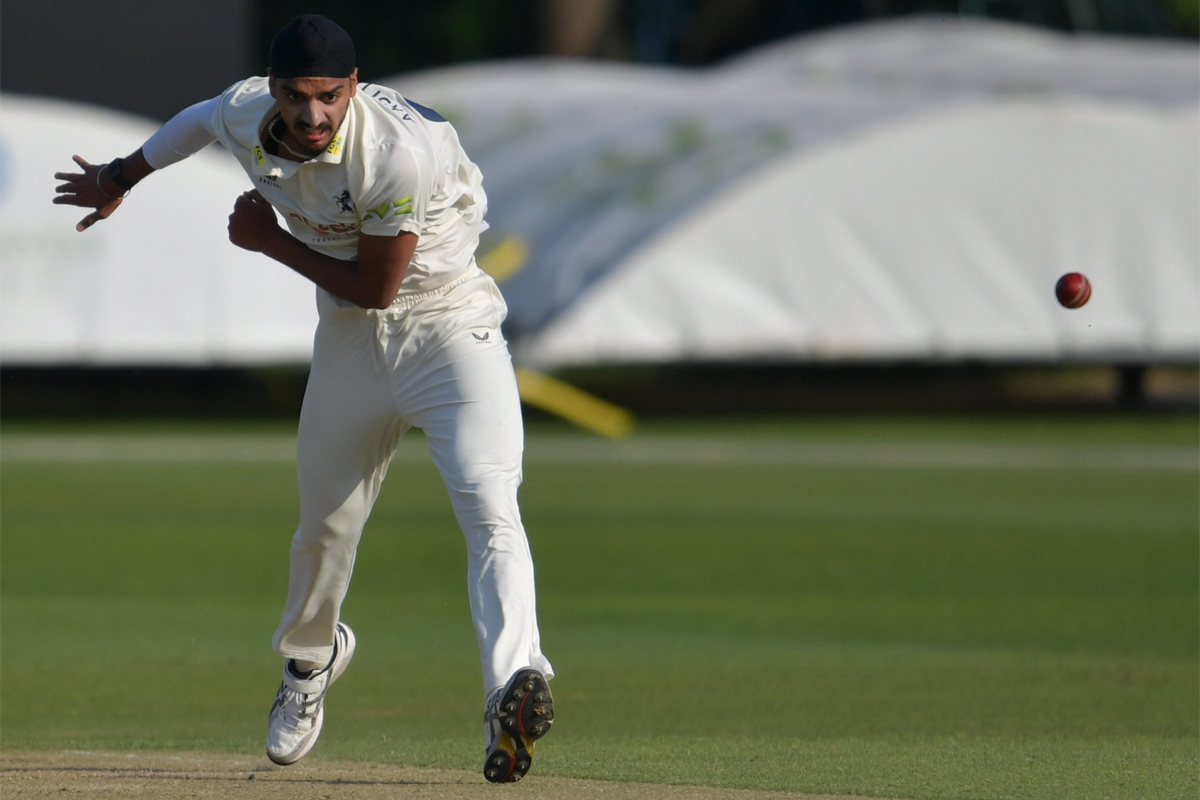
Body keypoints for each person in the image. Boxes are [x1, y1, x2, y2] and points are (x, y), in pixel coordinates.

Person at [52, 14, 554, 784]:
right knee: (325, 527)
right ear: (275, 89)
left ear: (352, 88)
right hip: (351, 344)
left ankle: (511, 685)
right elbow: (195, 122)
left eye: (327, 96)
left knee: (490, 503)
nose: (311, 115)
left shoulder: (396, 157)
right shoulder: (248, 111)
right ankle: (309, 665)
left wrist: (270, 242)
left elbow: (380, 287)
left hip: (449, 327)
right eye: (295, 96)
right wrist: (120, 177)